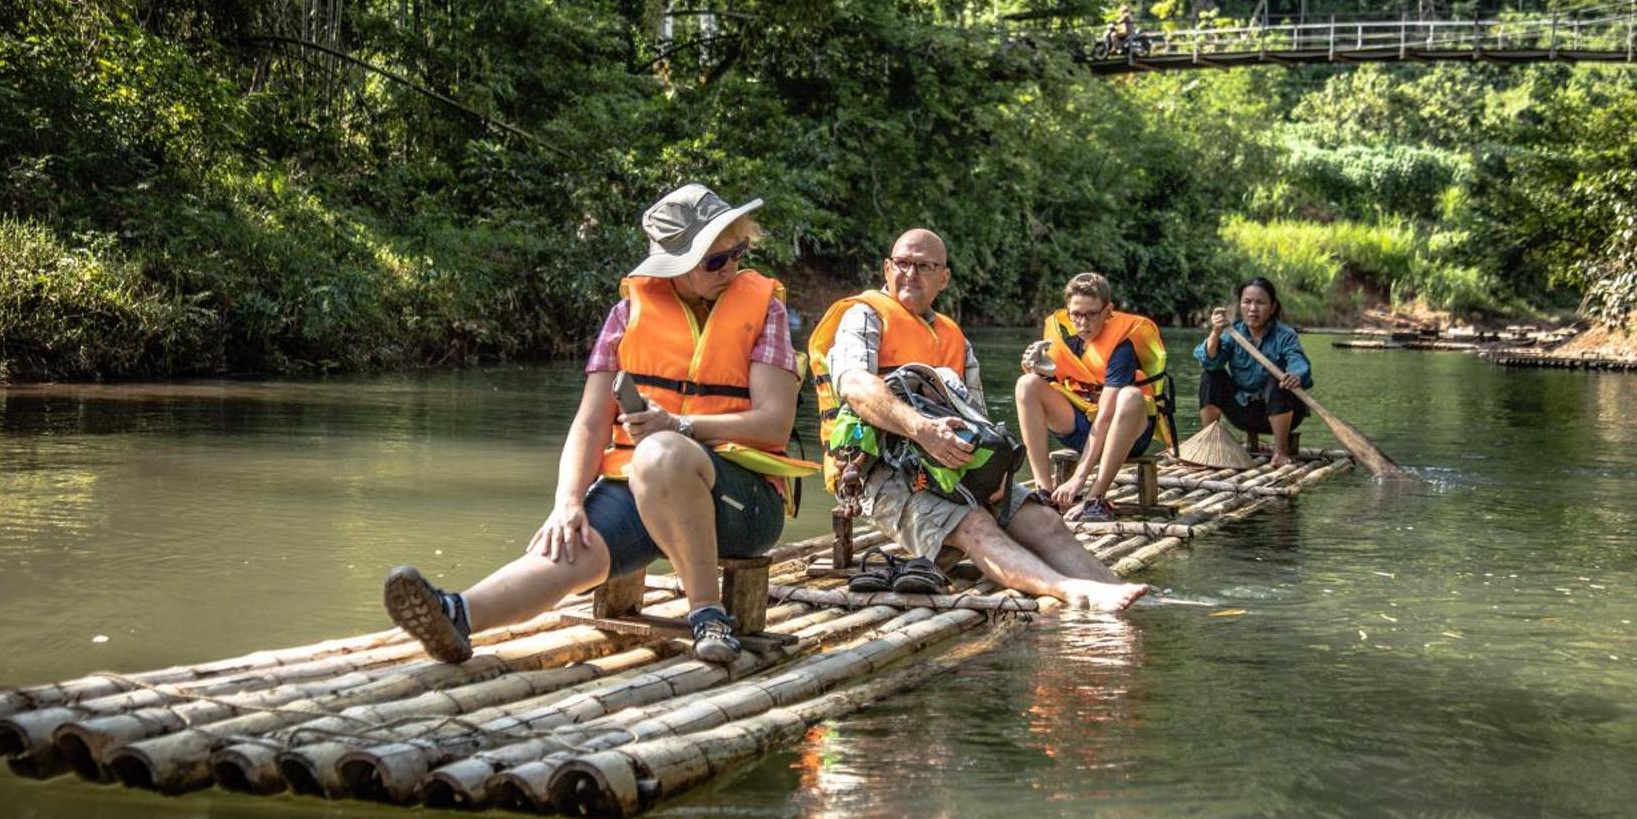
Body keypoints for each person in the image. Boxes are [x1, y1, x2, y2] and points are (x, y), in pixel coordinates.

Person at [382, 184, 816, 667]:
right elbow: (590, 423)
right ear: (676, 264)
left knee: (662, 453)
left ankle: (708, 615)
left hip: (743, 501)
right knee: (570, 543)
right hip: (646, 483)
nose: (731, 268)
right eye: (715, 261)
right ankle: (459, 614)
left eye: (736, 253)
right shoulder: (628, 313)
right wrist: (566, 503)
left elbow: (774, 425)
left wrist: (680, 425)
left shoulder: (765, 309)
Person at [805, 228, 1146, 613]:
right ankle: (1071, 591)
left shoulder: (954, 338)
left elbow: (977, 417)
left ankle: (1113, 588)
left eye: (924, 266)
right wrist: (921, 428)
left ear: (943, 278)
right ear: (887, 267)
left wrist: (995, 474)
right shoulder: (863, 317)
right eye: (902, 264)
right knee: (974, 523)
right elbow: (853, 384)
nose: (910, 274)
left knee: (1044, 521)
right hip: (881, 471)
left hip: (953, 459)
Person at [1014, 272, 1171, 521]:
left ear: (1108, 311)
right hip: (1082, 427)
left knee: (1130, 396)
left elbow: (1106, 414)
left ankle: (1095, 499)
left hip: (1126, 434)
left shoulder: (1122, 347)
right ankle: (1044, 491)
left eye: (1091, 314)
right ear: (1068, 311)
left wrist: (1079, 479)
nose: (1083, 323)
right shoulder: (1065, 341)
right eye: (1076, 314)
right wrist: (1037, 371)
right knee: (1027, 384)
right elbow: (1059, 388)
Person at [1194, 276, 1311, 468]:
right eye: (1247, 302)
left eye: (1260, 303)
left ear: (1272, 307)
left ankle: (1280, 452)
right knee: (1211, 375)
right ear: (1240, 305)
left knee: (1279, 379)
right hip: (1243, 412)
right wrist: (1215, 331)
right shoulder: (1233, 333)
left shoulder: (1285, 335)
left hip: (1282, 413)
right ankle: (1209, 443)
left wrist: (1294, 375)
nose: (1253, 308)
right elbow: (1210, 361)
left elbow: (1298, 362)